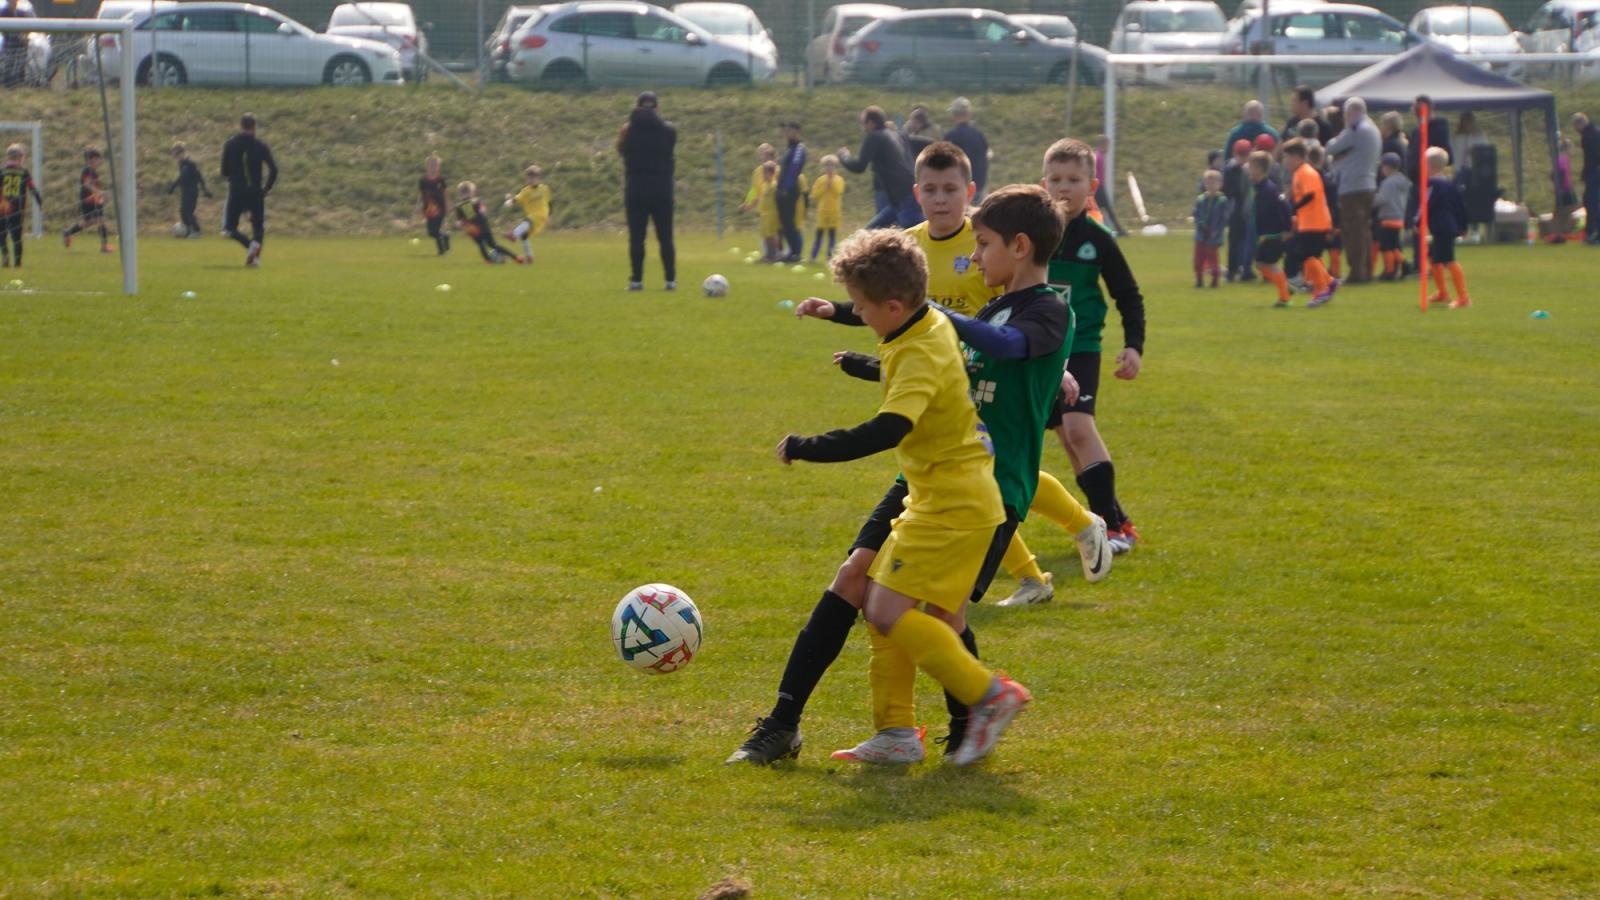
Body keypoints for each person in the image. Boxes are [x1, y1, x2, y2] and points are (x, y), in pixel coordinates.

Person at [773, 228, 1033, 768]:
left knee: (884, 607)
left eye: (864, 308)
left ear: (893, 305)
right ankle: (897, 733)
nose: (861, 316)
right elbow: (919, 378)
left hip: (949, 505)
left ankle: (989, 694)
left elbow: (889, 428)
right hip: (962, 496)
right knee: (934, 617)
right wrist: (861, 361)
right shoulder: (927, 321)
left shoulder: (915, 349)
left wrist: (807, 447)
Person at [902, 141, 1112, 606]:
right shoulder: (913, 240)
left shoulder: (1001, 252)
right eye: (931, 189)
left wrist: (1049, 367)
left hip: (996, 381)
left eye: (950, 189)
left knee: (997, 476)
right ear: (917, 192)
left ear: (968, 192)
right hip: (959, 380)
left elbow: (1019, 332)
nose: (940, 199)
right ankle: (1036, 575)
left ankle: (1074, 531)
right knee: (976, 484)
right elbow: (894, 304)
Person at [1040, 138, 1146, 553]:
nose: (1063, 188)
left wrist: (1134, 345)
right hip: (1038, 350)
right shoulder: (1031, 233)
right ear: (1043, 182)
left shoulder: (1098, 238)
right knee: (1067, 437)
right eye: (1056, 179)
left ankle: (1111, 530)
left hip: (1080, 346)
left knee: (1078, 427)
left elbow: (1128, 294)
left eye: (1073, 180)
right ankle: (1115, 518)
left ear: (1092, 186)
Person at [617, 91, 677, 290]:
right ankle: (670, 281)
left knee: (636, 237)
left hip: (636, 190)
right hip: (662, 190)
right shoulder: (669, 131)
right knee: (666, 237)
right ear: (657, 108)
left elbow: (621, 150)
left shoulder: (628, 131)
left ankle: (636, 280)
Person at [838, 106, 921, 230]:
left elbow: (859, 166)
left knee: (913, 229)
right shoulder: (897, 134)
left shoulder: (874, 137)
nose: (863, 128)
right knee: (871, 233)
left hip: (905, 197)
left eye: (863, 124)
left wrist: (844, 157)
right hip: (900, 199)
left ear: (871, 123)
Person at [1325, 96, 1380, 283]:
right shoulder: (1372, 128)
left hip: (1352, 187)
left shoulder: (1356, 129)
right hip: (1369, 185)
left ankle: (1356, 272)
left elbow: (1331, 148)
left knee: (1352, 231)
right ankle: (1367, 270)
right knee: (1364, 230)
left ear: (1351, 112)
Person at [1282, 138, 1338, 308]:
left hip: (1315, 221)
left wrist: (1294, 208)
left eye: (1286, 157)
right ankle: (1329, 282)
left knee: (1305, 255)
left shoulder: (1306, 172)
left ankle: (1322, 290)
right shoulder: (1299, 173)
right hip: (1308, 221)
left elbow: (1310, 195)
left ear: (1296, 157)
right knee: (1309, 256)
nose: (1284, 161)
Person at [1415, 146, 1470, 307]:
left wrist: (1417, 221)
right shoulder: (1449, 183)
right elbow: (1460, 205)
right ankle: (1443, 293)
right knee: (1434, 258)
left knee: (1448, 260)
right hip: (1448, 226)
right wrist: (1463, 225)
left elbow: (1425, 204)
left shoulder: (1432, 183)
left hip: (1442, 227)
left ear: (1429, 166)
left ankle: (1463, 297)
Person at [220, 113, 276, 268]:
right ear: (254, 127)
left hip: (237, 191)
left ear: (241, 126)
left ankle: (249, 246)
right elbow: (274, 169)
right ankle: (255, 257)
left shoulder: (231, 144)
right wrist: (266, 189)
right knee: (258, 226)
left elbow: (224, 171)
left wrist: (234, 179)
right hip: (256, 192)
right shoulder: (261, 145)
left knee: (230, 228)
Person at [1247, 150, 1295, 308]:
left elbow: (1285, 208)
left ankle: (1284, 298)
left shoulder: (1269, 189)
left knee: (1270, 264)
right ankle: (1284, 286)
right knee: (1260, 263)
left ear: (1260, 169)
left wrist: (1287, 229)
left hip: (1274, 235)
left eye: (1251, 166)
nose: (1248, 168)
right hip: (1266, 235)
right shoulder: (1259, 187)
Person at [452, 181, 520, 264]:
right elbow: (460, 220)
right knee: (481, 245)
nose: (465, 195)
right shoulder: (459, 207)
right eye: (463, 193)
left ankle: (515, 257)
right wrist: (459, 223)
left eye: (467, 192)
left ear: (472, 193)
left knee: (493, 245)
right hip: (473, 230)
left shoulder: (476, 202)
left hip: (483, 227)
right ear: (460, 194)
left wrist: (480, 210)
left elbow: (482, 210)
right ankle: (488, 261)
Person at [0, 143, 44, 269]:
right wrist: (39, 202)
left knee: (1, 234)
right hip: (17, 208)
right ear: (19, 157)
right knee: (16, 237)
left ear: (8, 157)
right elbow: (32, 187)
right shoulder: (23, 172)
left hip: (2, 207)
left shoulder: (2, 171)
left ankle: (5, 256)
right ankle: (17, 263)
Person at [62, 148, 111, 254]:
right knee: (100, 220)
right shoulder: (88, 170)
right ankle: (104, 247)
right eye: (98, 159)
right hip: (89, 201)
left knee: (88, 222)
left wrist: (101, 195)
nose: (100, 162)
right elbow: (87, 184)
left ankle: (68, 232)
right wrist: (100, 192)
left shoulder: (92, 171)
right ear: (92, 159)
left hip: (94, 200)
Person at [503, 164, 551, 264]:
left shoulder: (544, 189)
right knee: (524, 236)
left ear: (538, 178)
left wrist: (549, 216)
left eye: (533, 178)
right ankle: (529, 256)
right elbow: (517, 198)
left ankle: (513, 235)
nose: (531, 180)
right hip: (533, 219)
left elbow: (550, 202)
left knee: (528, 220)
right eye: (529, 178)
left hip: (541, 215)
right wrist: (510, 202)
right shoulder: (526, 191)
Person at [1373, 152, 1410, 280]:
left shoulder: (1388, 183)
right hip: (1399, 217)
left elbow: (1382, 199)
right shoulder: (1404, 181)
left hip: (1387, 218)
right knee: (1394, 246)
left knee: (1386, 247)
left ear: (1387, 167)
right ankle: (1404, 264)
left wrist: (1371, 201)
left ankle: (1389, 271)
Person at [1223, 139, 1254, 282]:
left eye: (1246, 154)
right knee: (1235, 241)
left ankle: (1245, 268)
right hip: (1236, 210)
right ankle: (1232, 270)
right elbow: (1228, 191)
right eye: (1241, 154)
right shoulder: (1230, 169)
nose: (1243, 158)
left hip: (1247, 209)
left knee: (1247, 241)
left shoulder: (1251, 168)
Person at [945, 96, 989, 197]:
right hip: (978, 185)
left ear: (954, 115)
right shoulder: (979, 135)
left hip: (958, 188)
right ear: (969, 114)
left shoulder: (951, 137)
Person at [776, 121, 807, 262]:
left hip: (790, 190)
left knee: (789, 223)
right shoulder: (789, 148)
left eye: (790, 130)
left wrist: (786, 188)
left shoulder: (799, 148)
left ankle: (796, 253)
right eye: (786, 131)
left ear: (797, 132)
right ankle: (791, 252)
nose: (787, 133)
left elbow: (794, 169)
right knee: (785, 223)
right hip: (782, 189)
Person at [1192, 169, 1229, 288]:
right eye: (1208, 183)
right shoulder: (1201, 199)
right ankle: (1199, 279)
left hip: (1213, 235)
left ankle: (1215, 280)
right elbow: (1196, 214)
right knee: (1198, 258)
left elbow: (1223, 218)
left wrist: (1216, 230)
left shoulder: (1222, 200)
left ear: (1220, 184)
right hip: (1201, 234)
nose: (1211, 186)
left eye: (1214, 183)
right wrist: (1200, 224)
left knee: (1213, 258)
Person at [166, 142, 211, 239]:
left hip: (192, 191)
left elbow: (199, 176)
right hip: (185, 191)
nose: (175, 156)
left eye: (176, 153)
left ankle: (197, 231)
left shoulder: (190, 164)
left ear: (182, 152)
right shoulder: (181, 164)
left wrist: (204, 189)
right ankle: (188, 230)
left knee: (188, 211)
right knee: (182, 211)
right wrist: (173, 187)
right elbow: (182, 178)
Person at [808, 154, 845, 261]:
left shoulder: (839, 180)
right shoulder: (820, 180)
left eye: (831, 166)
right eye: (827, 166)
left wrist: (831, 184)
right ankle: (813, 256)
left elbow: (838, 192)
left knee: (832, 236)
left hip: (834, 212)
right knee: (819, 235)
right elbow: (814, 194)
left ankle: (830, 256)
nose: (829, 168)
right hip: (822, 211)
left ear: (835, 167)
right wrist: (824, 187)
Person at [1091, 135, 1127, 237]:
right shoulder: (1097, 157)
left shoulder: (1099, 156)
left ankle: (1100, 229)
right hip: (1098, 187)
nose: (1108, 148)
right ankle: (1119, 230)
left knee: (1100, 210)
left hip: (1099, 187)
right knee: (1106, 209)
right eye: (1107, 145)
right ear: (1102, 145)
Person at [1572, 112, 1600, 245]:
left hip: (1594, 173)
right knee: (1590, 202)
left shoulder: (1590, 135)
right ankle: (1591, 232)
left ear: (1579, 123)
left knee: (1592, 203)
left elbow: (1591, 157)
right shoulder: (1594, 131)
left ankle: (1593, 233)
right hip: (1592, 172)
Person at [417, 154, 450, 256]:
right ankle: (445, 236)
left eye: (435, 165)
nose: (433, 167)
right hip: (428, 209)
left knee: (436, 230)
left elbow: (445, 193)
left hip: (440, 208)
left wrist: (449, 204)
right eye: (431, 165)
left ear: (438, 166)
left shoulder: (441, 180)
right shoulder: (423, 181)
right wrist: (418, 205)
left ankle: (441, 251)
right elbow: (421, 194)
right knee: (431, 232)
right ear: (427, 166)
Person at [0, 0, 35, 88]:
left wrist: (25, 35)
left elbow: (29, 26)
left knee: (21, 63)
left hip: (21, 44)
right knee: (9, 62)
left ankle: (20, 82)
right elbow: (4, 30)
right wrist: (17, 36)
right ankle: (7, 83)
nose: (14, 3)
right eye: (12, 1)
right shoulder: (3, 13)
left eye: (15, 1)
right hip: (10, 43)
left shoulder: (21, 13)